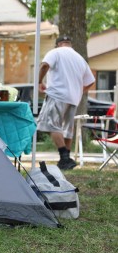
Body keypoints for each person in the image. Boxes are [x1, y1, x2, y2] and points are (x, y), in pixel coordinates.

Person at [37, 35, 95, 170]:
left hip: (57, 94)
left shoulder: (55, 52)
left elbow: (45, 65)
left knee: (51, 125)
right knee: (68, 129)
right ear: (70, 44)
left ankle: (64, 157)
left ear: (58, 44)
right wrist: (81, 90)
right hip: (74, 98)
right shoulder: (80, 58)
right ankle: (66, 162)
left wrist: (39, 81)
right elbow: (91, 81)